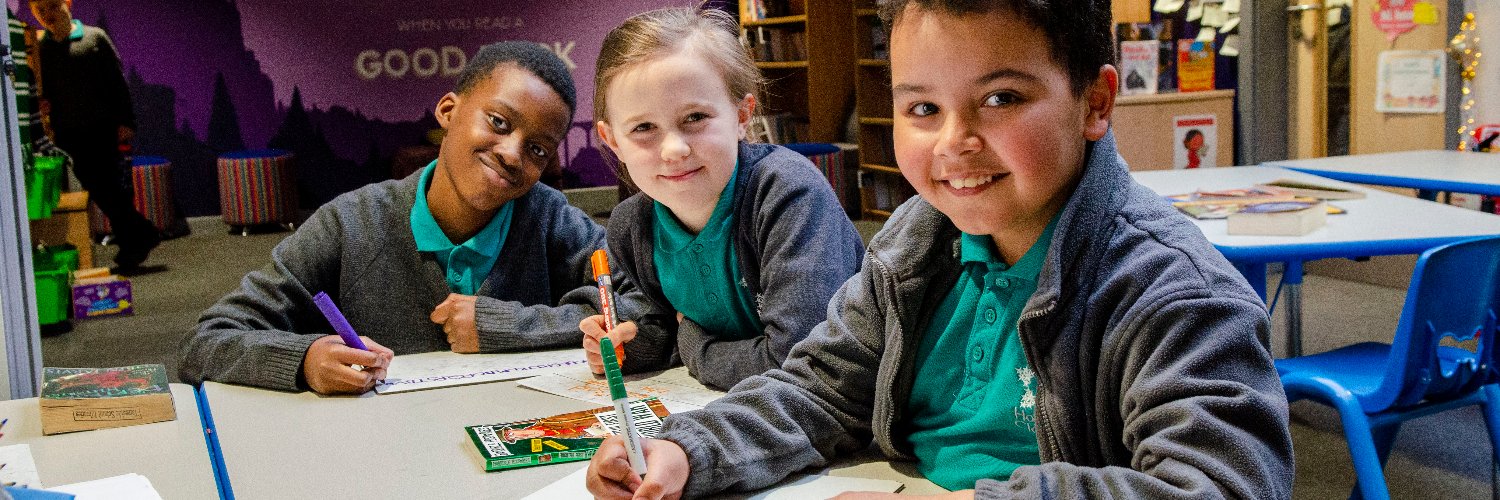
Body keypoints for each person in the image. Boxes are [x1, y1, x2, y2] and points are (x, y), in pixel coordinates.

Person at [585, 0, 1293, 498]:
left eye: (1002, 98)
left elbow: (1225, 483)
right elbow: (818, 390)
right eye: (922, 108)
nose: (954, 141)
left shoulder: (1170, 287)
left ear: (1096, 103)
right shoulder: (915, 247)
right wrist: (687, 449)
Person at [180, 42, 614, 395]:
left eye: (538, 149)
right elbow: (207, 341)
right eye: (498, 122)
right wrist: (306, 360)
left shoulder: (550, 218)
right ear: (448, 111)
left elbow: (638, 303)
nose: (511, 153)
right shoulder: (350, 224)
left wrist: (503, 326)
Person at [577, 7, 863, 391]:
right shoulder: (632, 228)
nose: (674, 149)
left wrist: (696, 348)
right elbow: (666, 323)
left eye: (695, 117)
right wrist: (630, 346)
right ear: (613, 141)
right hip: (734, 405)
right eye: (643, 127)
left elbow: (799, 362)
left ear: (742, 115)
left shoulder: (788, 194)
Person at [29, 0, 159, 269]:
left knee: (111, 187)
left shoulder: (94, 38)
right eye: (40, 11)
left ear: (67, 4)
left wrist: (126, 121)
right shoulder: (42, 49)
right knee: (99, 188)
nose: (47, 15)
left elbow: (117, 82)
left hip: (102, 127)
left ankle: (135, 240)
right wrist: (44, 104)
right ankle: (141, 234)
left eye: (52, 7)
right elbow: (44, 91)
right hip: (68, 132)